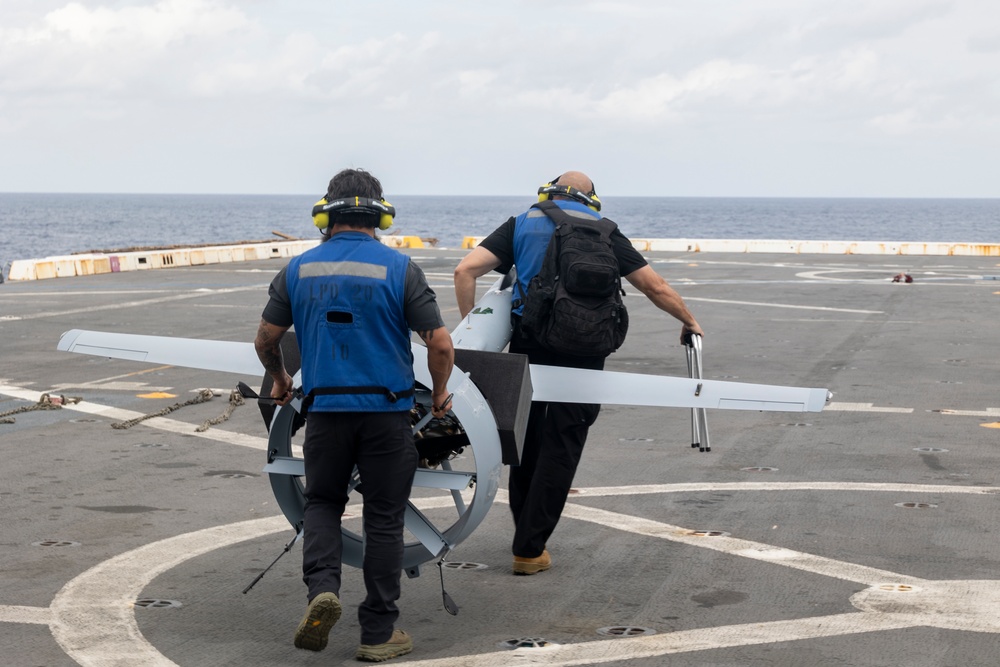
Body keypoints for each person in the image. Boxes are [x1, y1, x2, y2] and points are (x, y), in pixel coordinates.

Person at [453, 170, 703, 576]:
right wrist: (689, 320)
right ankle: (530, 547)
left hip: (531, 342)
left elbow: (466, 270)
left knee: (527, 437)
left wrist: (476, 329)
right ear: (591, 198)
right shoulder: (604, 230)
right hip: (587, 347)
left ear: (547, 192)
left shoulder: (522, 222)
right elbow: (654, 286)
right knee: (564, 443)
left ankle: (526, 542)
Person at [254, 168, 454, 662]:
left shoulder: (297, 270)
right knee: (384, 519)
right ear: (380, 215)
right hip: (386, 414)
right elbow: (441, 344)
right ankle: (378, 634)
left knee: (322, 503)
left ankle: (321, 590)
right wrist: (443, 391)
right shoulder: (400, 268)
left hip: (324, 413)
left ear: (327, 214)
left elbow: (266, 339)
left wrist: (280, 380)